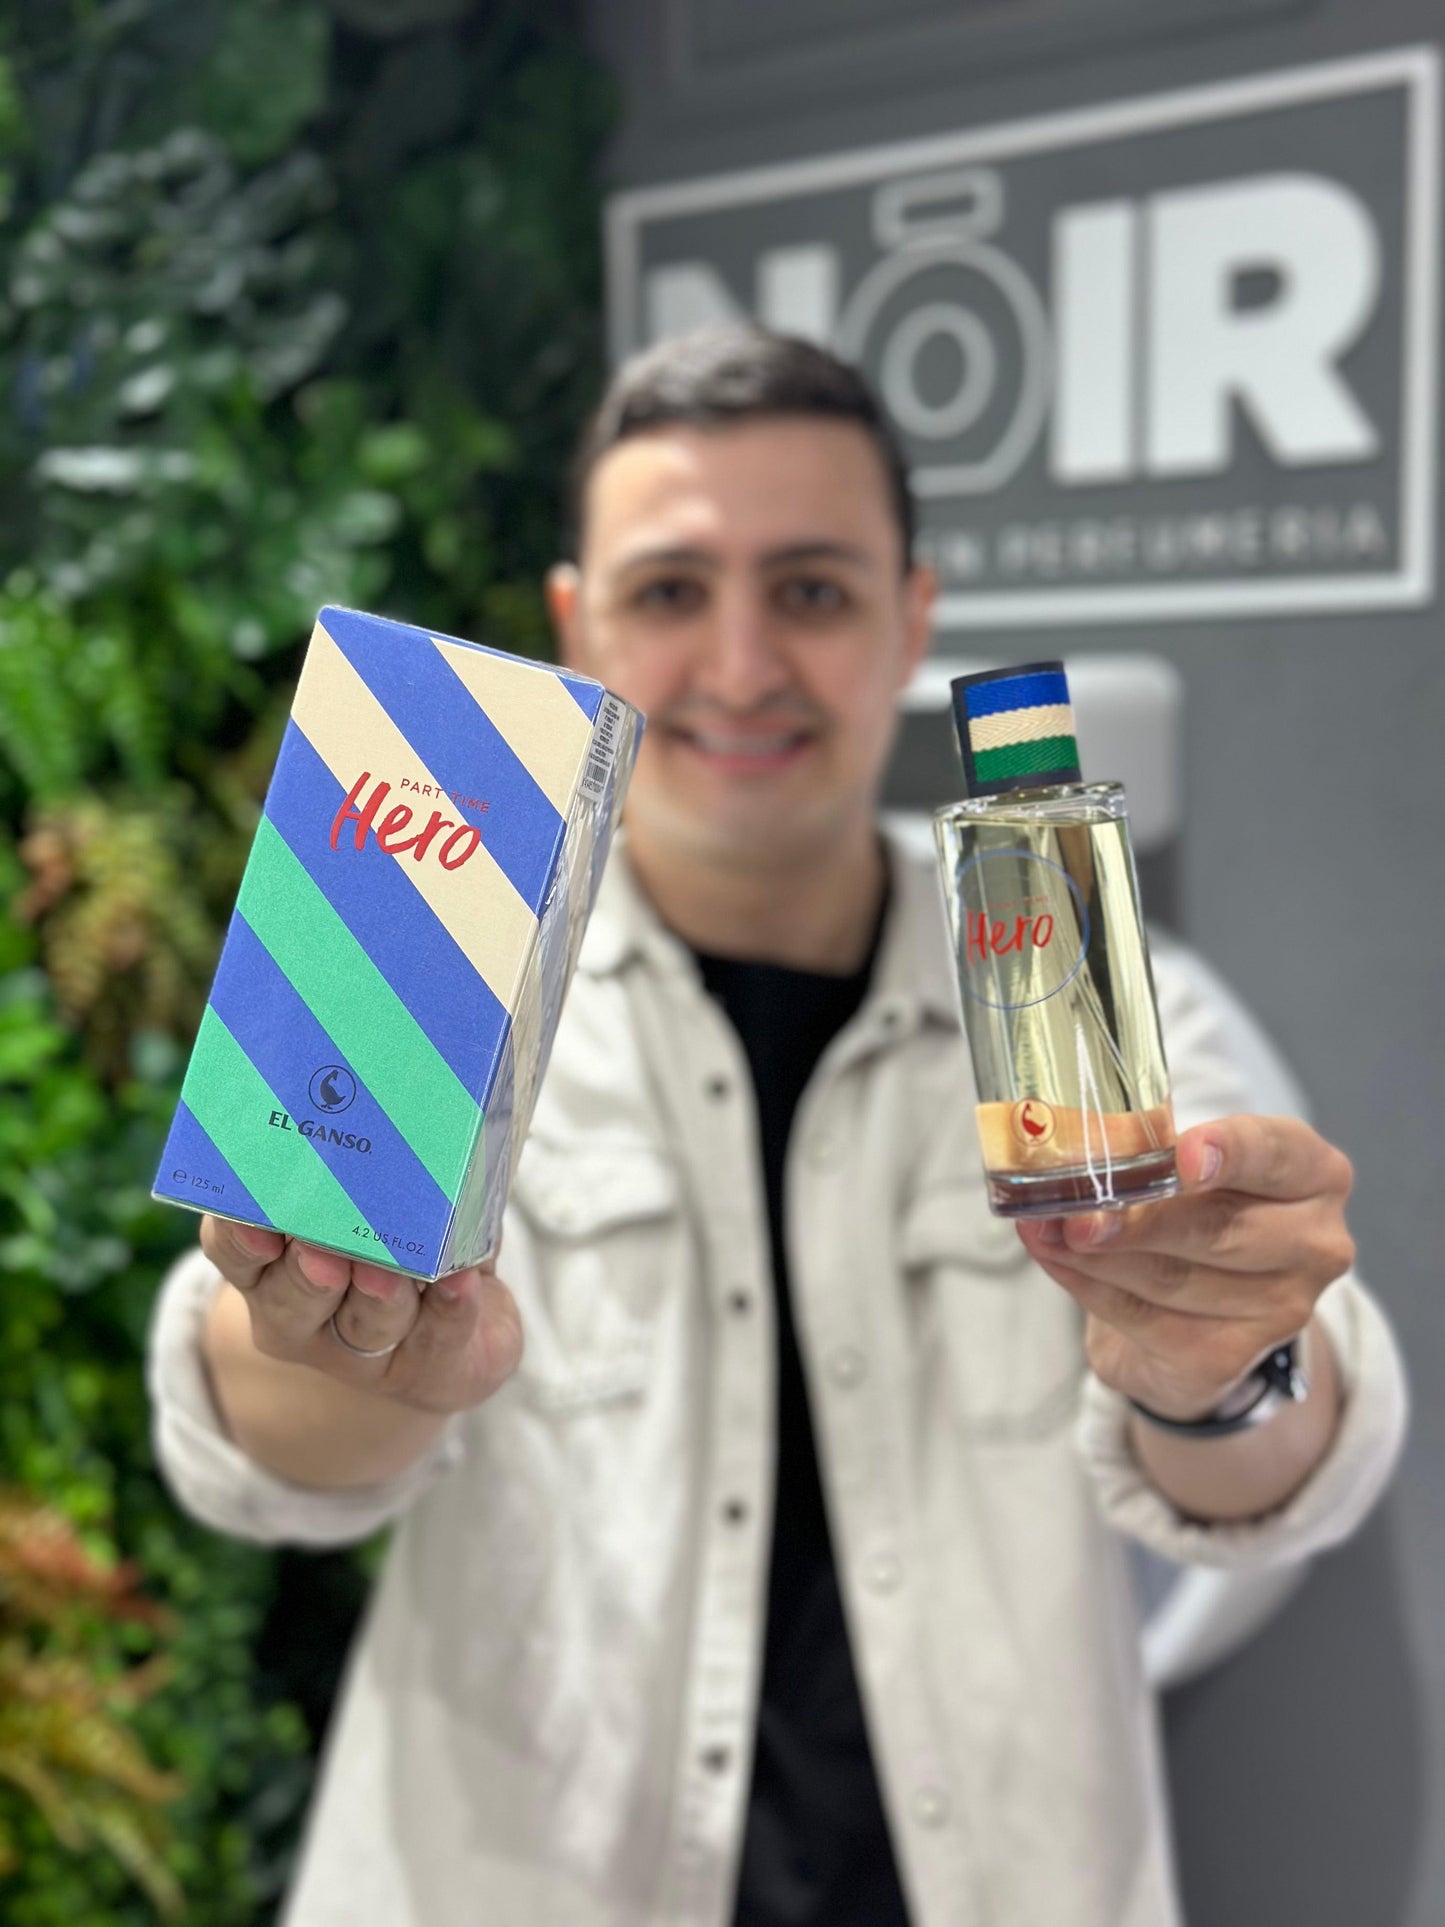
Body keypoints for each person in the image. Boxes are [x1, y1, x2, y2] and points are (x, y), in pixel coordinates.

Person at [147, 328, 1406, 1927]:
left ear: (911, 621)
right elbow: (249, 1448)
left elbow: (1294, 1456)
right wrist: (346, 1352)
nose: (741, 666)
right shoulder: (428, 977)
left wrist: (1221, 1364)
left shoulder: (1089, 995)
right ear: (577, 624)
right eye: (672, 591)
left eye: (810, 590)